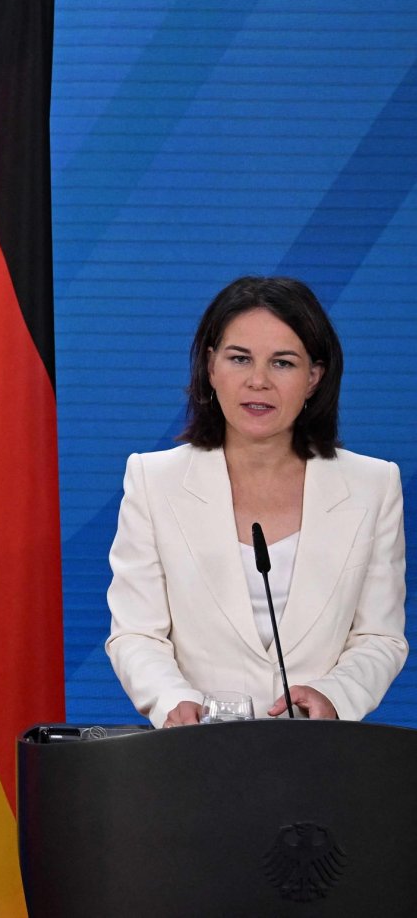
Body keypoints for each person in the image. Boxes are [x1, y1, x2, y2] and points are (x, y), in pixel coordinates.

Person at [106, 276, 406, 727]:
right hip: (194, 757)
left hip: (318, 757)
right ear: (211, 367)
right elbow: (135, 633)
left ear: (314, 377)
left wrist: (333, 696)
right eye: (239, 358)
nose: (258, 381)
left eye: (283, 363)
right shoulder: (154, 481)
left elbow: (379, 636)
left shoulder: (373, 485)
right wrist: (171, 700)